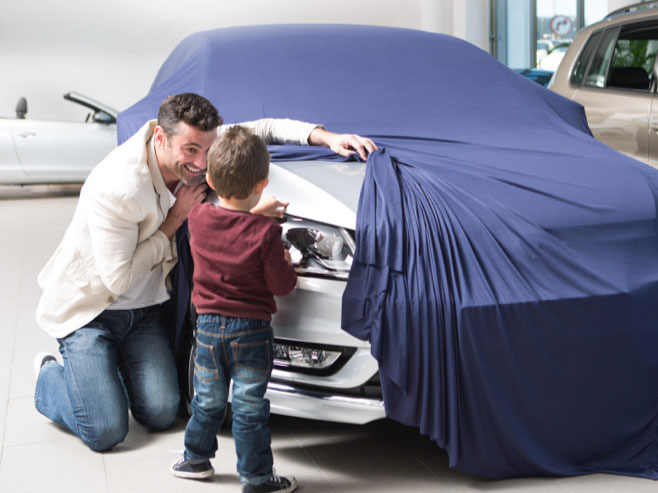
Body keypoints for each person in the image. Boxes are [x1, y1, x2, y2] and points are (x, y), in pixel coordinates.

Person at [33, 92, 377, 452]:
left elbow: (264, 128)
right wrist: (175, 219)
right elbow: (117, 280)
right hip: (94, 310)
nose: (201, 164)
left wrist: (327, 137)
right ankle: (49, 377)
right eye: (191, 151)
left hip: (146, 311)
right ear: (161, 139)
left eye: (206, 150)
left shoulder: (198, 140)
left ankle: (106, 373)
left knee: (163, 412)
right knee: (105, 431)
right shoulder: (117, 187)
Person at [171, 126, 298, 492]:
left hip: (208, 332)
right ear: (262, 183)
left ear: (209, 178)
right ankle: (257, 477)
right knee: (248, 408)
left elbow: (227, 224)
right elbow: (282, 285)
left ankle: (195, 460)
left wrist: (257, 213)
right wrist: (285, 259)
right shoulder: (266, 234)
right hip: (252, 335)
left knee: (207, 401)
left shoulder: (198, 220)